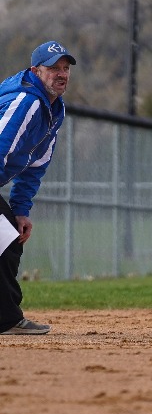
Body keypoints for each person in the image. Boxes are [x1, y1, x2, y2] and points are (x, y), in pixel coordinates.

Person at [0, 41, 76, 335]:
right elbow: (2, 147)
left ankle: (6, 318)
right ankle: (6, 320)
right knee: (4, 240)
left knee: (9, 237)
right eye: (53, 67)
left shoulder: (54, 109)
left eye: (65, 68)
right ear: (36, 70)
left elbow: (35, 166)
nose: (61, 74)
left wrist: (19, 211)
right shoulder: (28, 101)